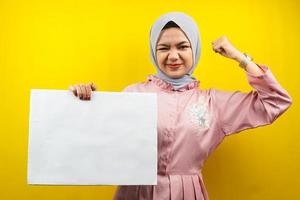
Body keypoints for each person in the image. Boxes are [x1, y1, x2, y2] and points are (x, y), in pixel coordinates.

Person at [69, 12, 292, 200]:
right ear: (154, 52)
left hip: (187, 193)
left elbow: (276, 101)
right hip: (136, 193)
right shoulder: (133, 94)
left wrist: (238, 57)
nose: (173, 56)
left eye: (182, 46)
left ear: (194, 49)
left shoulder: (214, 103)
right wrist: (84, 103)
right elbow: (100, 141)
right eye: (164, 48)